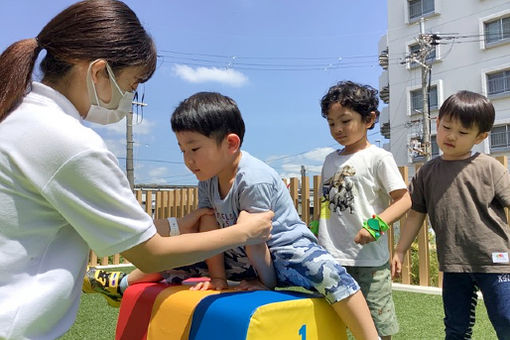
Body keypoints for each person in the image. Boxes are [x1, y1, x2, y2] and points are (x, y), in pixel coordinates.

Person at [0, 1, 273, 339]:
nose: (130, 97)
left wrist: (177, 224)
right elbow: (150, 252)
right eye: (132, 85)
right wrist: (245, 232)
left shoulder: (18, 115)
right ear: (99, 73)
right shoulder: (69, 143)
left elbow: (107, 225)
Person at [122, 91, 379, 340]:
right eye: (182, 151)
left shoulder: (254, 179)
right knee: (171, 257)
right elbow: (209, 228)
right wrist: (218, 278)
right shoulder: (207, 178)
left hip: (282, 250)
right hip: (238, 252)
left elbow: (256, 239)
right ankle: (121, 284)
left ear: (231, 143)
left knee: (329, 274)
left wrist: (265, 283)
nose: (188, 160)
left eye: (194, 149)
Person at [392, 91, 510, 340]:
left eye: (463, 132)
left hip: (495, 260)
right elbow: (415, 215)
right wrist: (400, 249)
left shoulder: (489, 167)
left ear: (481, 137)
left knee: (506, 318)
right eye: (446, 127)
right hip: (454, 264)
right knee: (456, 328)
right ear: (437, 123)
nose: (451, 136)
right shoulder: (427, 172)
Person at [318, 81, 412, 340]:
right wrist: (317, 232)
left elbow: (404, 200)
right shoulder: (329, 160)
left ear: (370, 119)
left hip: (369, 260)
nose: (337, 129)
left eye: (345, 121)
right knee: (331, 324)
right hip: (332, 258)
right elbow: (327, 204)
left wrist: (376, 226)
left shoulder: (379, 158)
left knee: (377, 327)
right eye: (331, 123)